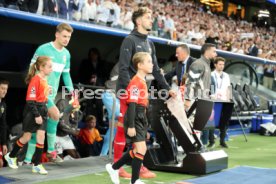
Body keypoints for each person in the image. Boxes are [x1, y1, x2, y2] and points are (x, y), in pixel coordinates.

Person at [115, 6, 176, 179]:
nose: (151, 20)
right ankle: (120, 168)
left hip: (142, 92)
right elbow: (124, 69)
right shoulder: (129, 40)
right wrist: (129, 94)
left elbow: (156, 70)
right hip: (128, 92)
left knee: (137, 129)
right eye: (148, 17)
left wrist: (167, 89)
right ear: (139, 20)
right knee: (124, 129)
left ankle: (134, 166)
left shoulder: (150, 43)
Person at [24, 23, 79, 164]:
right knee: (53, 116)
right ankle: (49, 153)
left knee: (43, 126)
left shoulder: (66, 54)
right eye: (64, 36)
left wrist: (73, 93)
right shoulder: (43, 49)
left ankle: (29, 160)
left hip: (52, 95)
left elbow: (66, 76)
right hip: (39, 96)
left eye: (69, 37)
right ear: (57, 34)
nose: (67, 39)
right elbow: (32, 70)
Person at [106, 52, 153, 184]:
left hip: (140, 116)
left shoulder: (142, 81)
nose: (152, 64)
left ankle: (114, 168)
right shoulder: (135, 82)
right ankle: (134, 180)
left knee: (138, 150)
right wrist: (131, 125)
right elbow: (132, 104)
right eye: (149, 61)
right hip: (135, 116)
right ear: (140, 65)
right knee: (141, 149)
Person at [5, 56, 53, 174]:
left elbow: (41, 96)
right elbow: (30, 100)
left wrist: (47, 91)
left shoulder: (45, 79)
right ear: (42, 68)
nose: (52, 69)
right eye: (49, 66)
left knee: (41, 136)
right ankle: (11, 156)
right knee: (26, 137)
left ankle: (37, 164)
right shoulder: (35, 80)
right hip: (32, 111)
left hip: (42, 109)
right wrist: (37, 115)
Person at [185, 43, 217, 109]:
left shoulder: (207, 65)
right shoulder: (198, 64)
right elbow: (190, 83)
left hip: (202, 102)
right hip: (194, 102)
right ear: (207, 51)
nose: (216, 54)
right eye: (214, 51)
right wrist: (188, 99)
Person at [208, 57, 231, 148]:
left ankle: (222, 141)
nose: (222, 66)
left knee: (224, 121)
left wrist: (229, 99)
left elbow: (228, 87)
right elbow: (210, 87)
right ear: (215, 65)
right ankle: (211, 141)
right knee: (211, 121)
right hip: (214, 100)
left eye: (223, 64)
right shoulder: (211, 74)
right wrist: (212, 97)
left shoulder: (226, 75)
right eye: (220, 64)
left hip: (225, 100)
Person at [0, 78, 9, 168]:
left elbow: (3, 125)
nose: (4, 91)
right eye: (2, 88)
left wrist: (4, 143)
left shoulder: (3, 105)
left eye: (6, 89)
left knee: (1, 163)